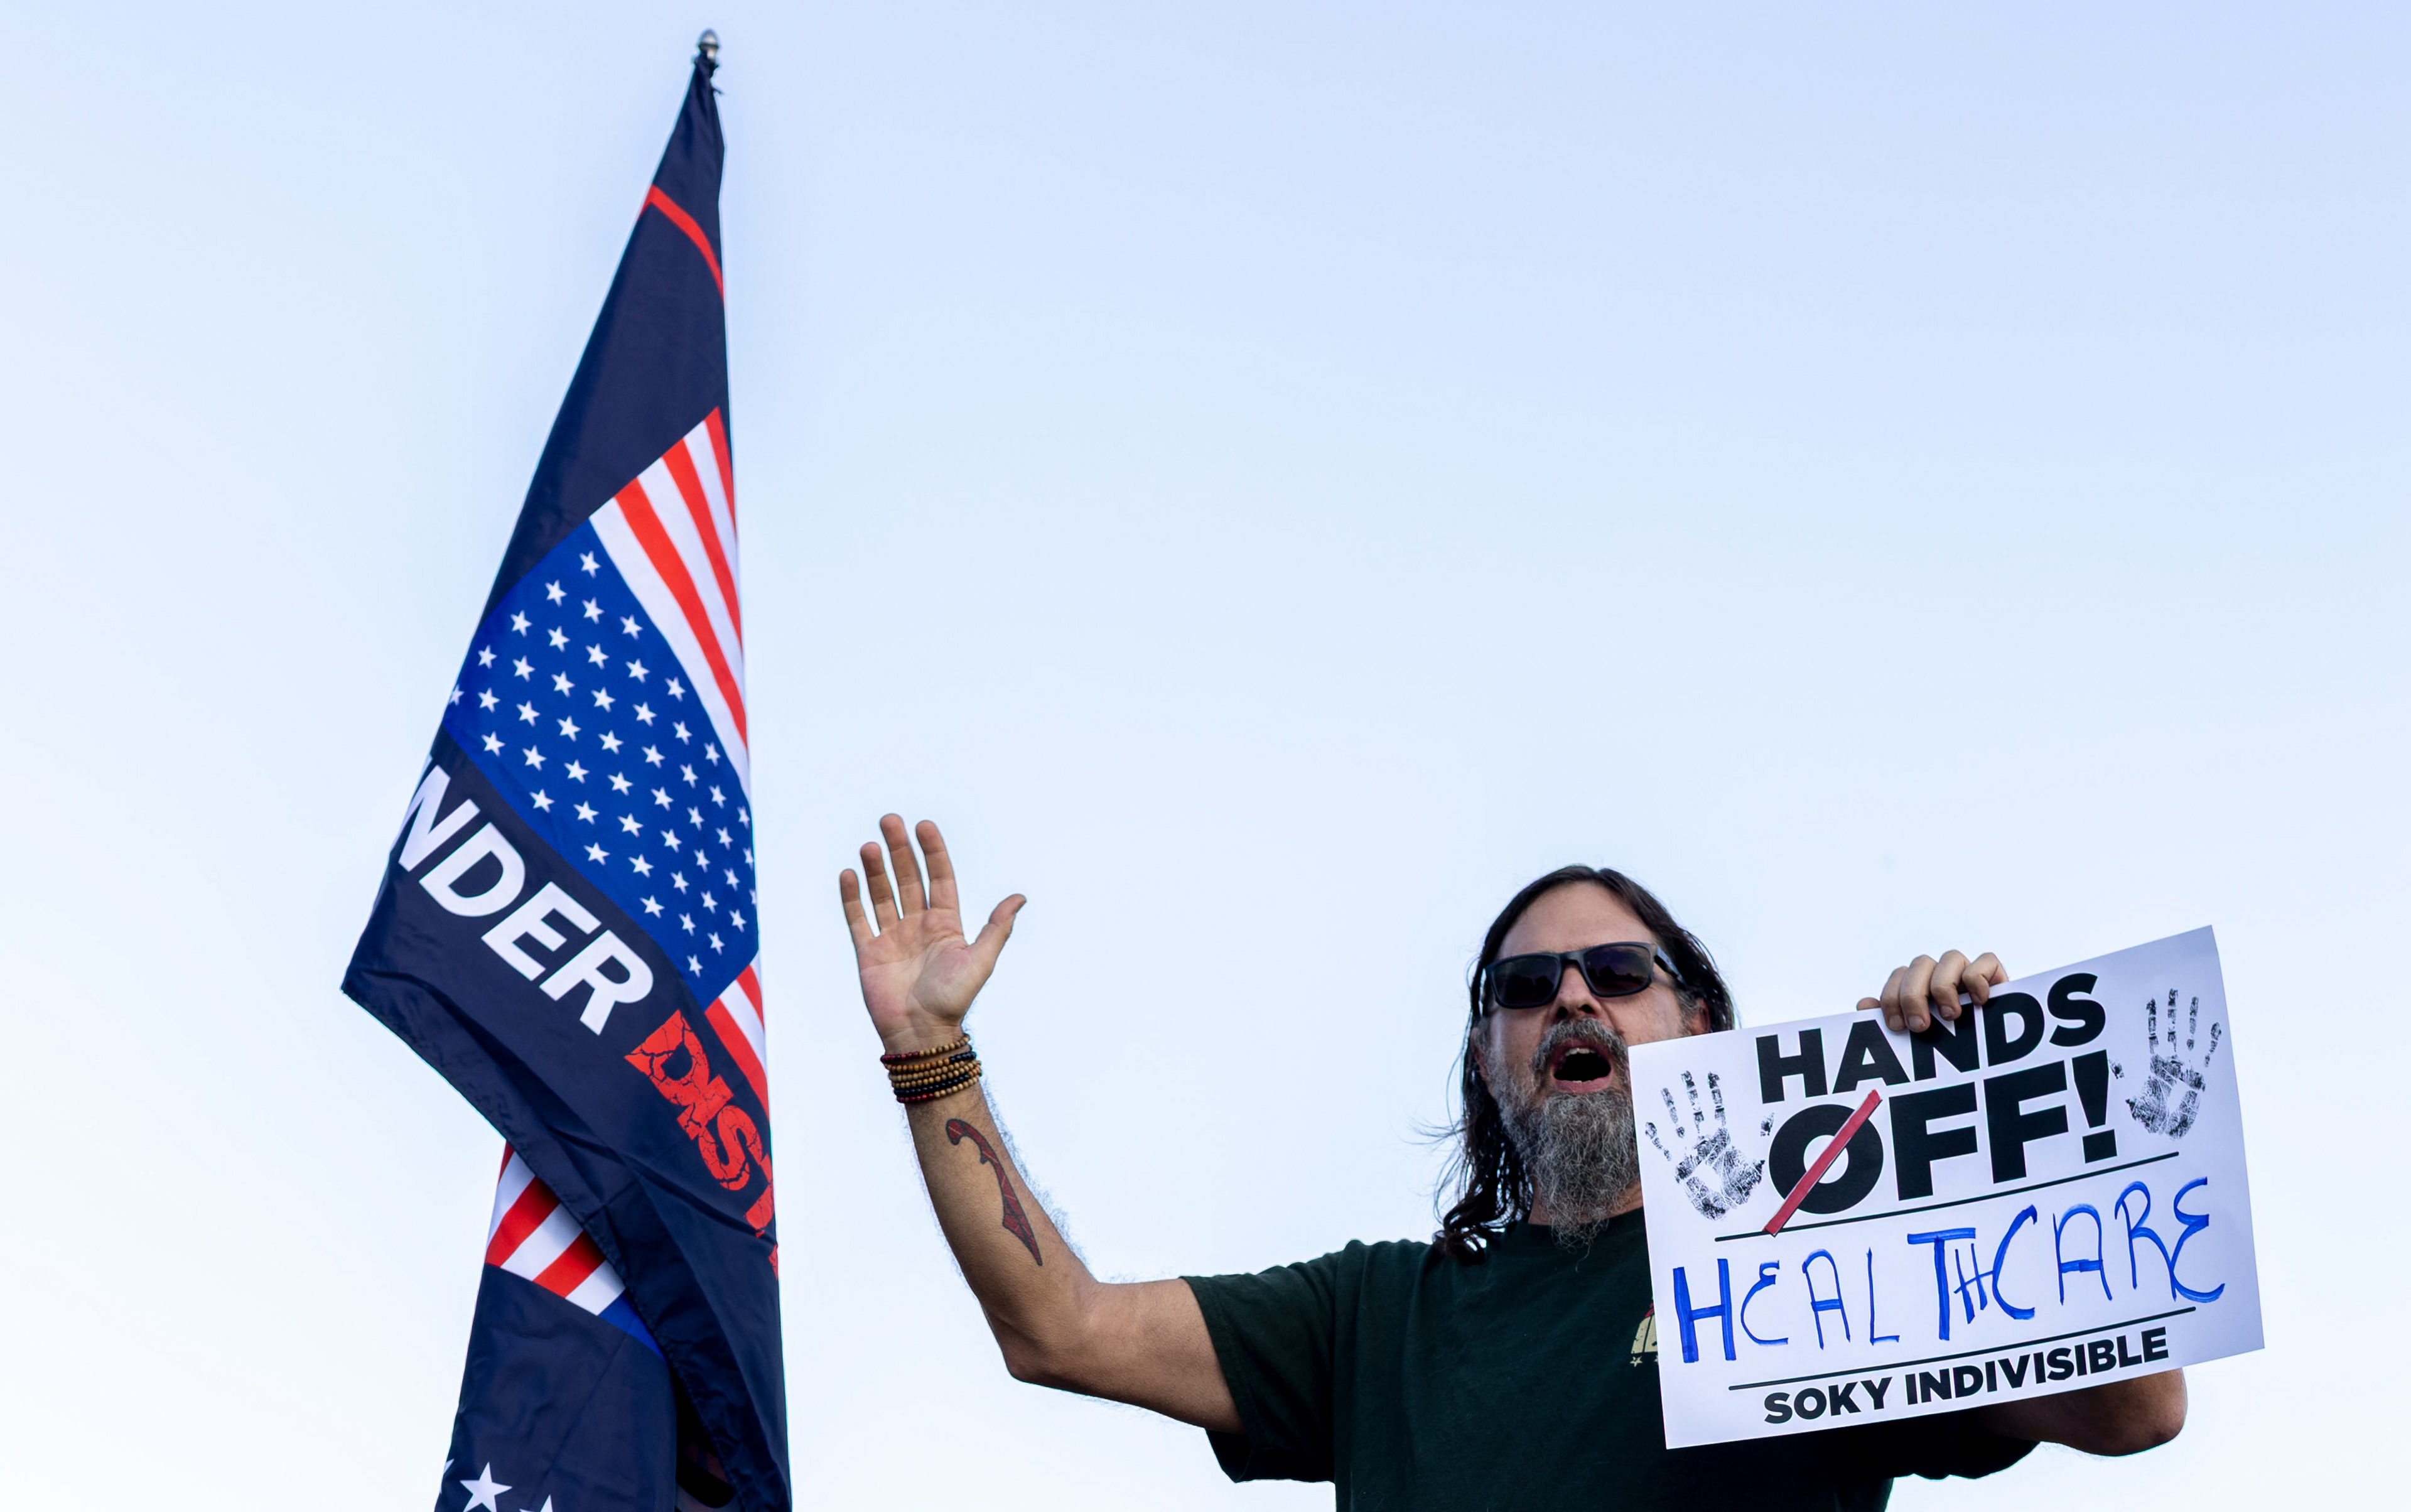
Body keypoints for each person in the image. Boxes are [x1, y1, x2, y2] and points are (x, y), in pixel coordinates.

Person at [838, 816, 2187, 1509]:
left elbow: (2139, 1413)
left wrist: (1985, 1105)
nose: (1576, 1002)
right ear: (1491, 1055)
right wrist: (928, 1056)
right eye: (1530, 985)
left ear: (1697, 1022)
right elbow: (1060, 1328)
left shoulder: (1825, 1267)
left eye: (1618, 972)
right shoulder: (1373, 1320)